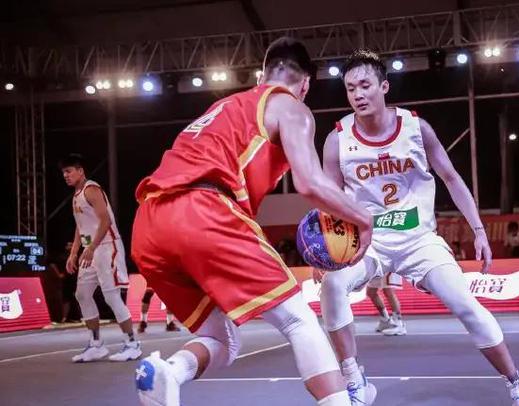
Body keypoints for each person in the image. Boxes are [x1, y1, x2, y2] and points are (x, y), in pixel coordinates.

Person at [131, 37, 374, 406]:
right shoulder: (289, 105)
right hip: (204, 209)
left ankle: (168, 372)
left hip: (149, 222)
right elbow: (310, 183)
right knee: (298, 321)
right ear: (305, 84)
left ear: (262, 75)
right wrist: (363, 218)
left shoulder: (223, 106)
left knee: (223, 340)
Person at [316, 49, 519, 406]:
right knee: (331, 286)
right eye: (350, 88)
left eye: (365, 85)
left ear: (384, 87)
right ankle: (355, 381)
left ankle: (518, 387)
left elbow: (451, 178)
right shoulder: (337, 140)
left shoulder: (416, 128)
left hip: (418, 239)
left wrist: (479, 231)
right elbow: (328, 200)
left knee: (467, 305)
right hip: (368, 242)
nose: (358, 94)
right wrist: (325, 253)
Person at [60, 153, 141, 362]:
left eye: (69, 171)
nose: (66, 175)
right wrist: (73, 252)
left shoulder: (92, 189)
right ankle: (96, 345)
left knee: (111, 296)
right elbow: (80, 226)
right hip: (91, 249)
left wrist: (92, 247)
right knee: (82, 294)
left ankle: (132, 344)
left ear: (80, 171)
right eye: (63, 173)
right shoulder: (76, 195)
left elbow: (105, 221)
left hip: (106, 247)